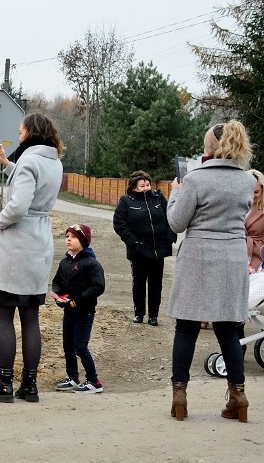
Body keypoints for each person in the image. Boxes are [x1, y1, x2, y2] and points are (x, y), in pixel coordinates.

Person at [166, 120, 255, 423]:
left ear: (210, 147)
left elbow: (177, 223)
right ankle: (238, 394)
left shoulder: (194, 179)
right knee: (228, 328)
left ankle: (179, 395)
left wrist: (174, 193)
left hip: (198, 257)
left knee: (186, 327)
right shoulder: (247, 181)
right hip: (232, 255)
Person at [0, 112, 64, 403]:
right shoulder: (53, 161)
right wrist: (5, 163)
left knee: (3, 315)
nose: (19, 133)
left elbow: (19, 205)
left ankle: (3, 383)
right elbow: (34, 188)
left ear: (31, 131)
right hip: (40, 240)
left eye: (21, 130)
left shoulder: (29, 160)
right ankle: (30, 384)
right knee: (30, 317)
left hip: (17, 242)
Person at [112, 170, 176, 326]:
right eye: (142, 185)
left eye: (148, 184)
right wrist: (133, 242)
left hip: (158, 250)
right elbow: (119, 224)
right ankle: (139, 313)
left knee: (156, 284)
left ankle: (153, 316)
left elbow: (171, 218)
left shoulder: (159, 198)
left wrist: (169, 237)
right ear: (134, 187)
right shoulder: (126, 201)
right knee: (139, 284)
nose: (146, 188)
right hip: (139, 251)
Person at [52, 223, 106, 394]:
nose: (69, 239)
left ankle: (94, 381)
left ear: (83, 240)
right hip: (69, 311)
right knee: (67, 345)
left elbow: (98, 286)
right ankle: (73, 377)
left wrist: (78, 299)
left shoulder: (91, 263)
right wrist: (60, 296)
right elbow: (57, 282)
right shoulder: (64, 262)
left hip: (85, 312)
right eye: (67, 236)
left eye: (74, 236)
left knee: (80, 346)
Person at [246, 169, 264, 272]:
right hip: (238, 252)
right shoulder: (237, 204)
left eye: (256, 192)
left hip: (258, 255)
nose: (252, 196)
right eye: (249, 191)